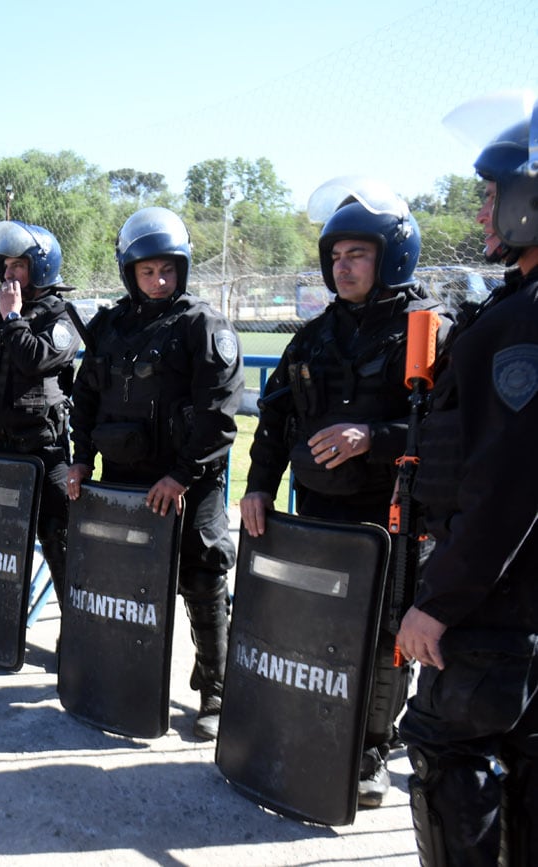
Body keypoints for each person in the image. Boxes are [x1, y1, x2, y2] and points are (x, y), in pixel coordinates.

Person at [239, 180, 441, 800]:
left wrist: (371, 438)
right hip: (321, 513)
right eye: (335, 256)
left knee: (385, 634)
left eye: (357, 254)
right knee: (319, 623)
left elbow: (449, 429)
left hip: (395, 516)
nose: (342, 267)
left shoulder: (426, 331)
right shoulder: (315, 335)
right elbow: (275, 419)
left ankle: (372, 751)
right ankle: (313, 729)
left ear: (390, 256)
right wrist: (257, 487)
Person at [395, 93, 538, 864]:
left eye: (491, 194)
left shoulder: (523, 321)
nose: (482, 210)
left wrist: (436, 604)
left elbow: (508, 488)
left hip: (492, 611)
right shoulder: (513, 306)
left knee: (449, 758)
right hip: (519, 608)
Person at [67, 207, 242, 741]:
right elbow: (86, 398)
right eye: (148, 271)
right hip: (124, 479)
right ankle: (123, 675)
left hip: (187, 484)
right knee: (122, 580)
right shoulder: (110, 325)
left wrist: (183, 476)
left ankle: (217, 687)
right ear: (130, 272)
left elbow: (219, 412)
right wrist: (80, 458)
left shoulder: (202, 325)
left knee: (202, 576)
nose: (160, 280)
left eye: (168, 270)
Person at [0, 220, 79, 607]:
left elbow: (35, 361)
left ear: (39, 268)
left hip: (43, 449)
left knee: (58, 539)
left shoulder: (61, 317)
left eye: (19, 267)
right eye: (6, 266)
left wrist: (14, 317)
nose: (9, 275)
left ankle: (75, 632)